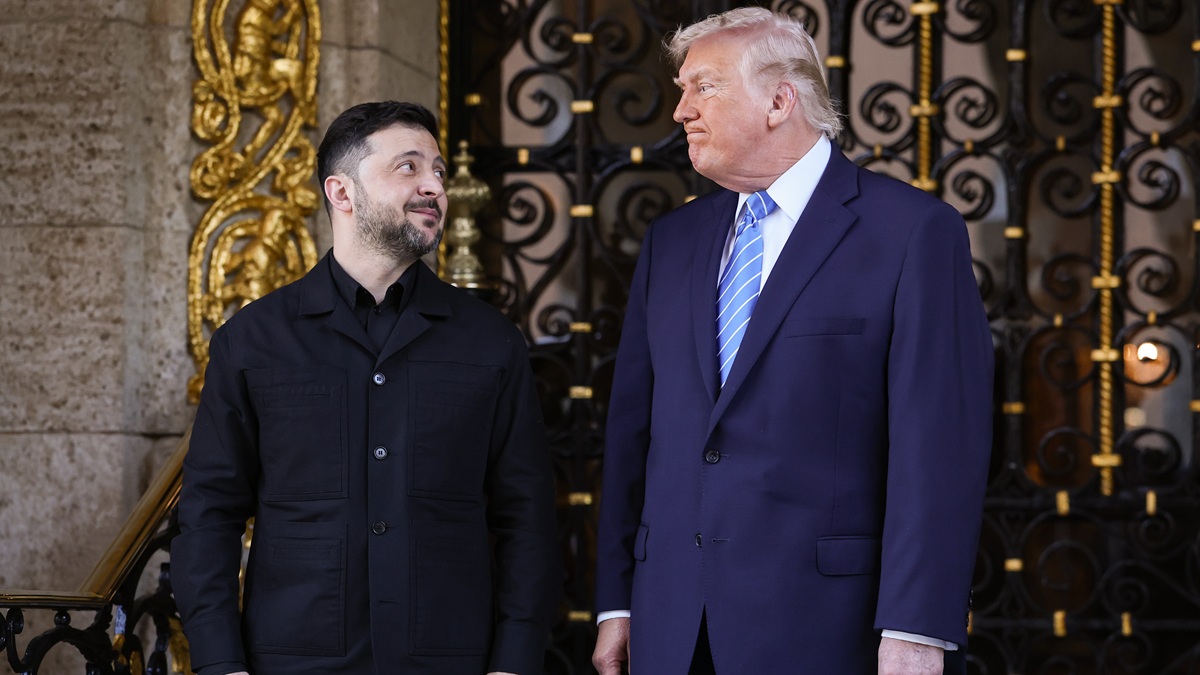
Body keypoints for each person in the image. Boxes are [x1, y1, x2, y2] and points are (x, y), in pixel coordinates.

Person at [592, 8, 993, 675]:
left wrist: (917, 625)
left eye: (703, 87)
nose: (681, 110)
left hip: (826, 629)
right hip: (671, 625)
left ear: (780, 100)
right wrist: (615, 603)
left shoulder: (912, 232)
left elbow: (939, 446)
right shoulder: (672, 241)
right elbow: (633, 433)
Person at [174, 101, 559, 675]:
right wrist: (218, 662)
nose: (433, 186)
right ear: (342, 192)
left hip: (450, 660)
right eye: (408, 167)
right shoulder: (252, 342)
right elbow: (209, 514)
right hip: (292, 661)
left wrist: (514, 662)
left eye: (438, 170)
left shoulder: (491, 342)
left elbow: (525, 516)